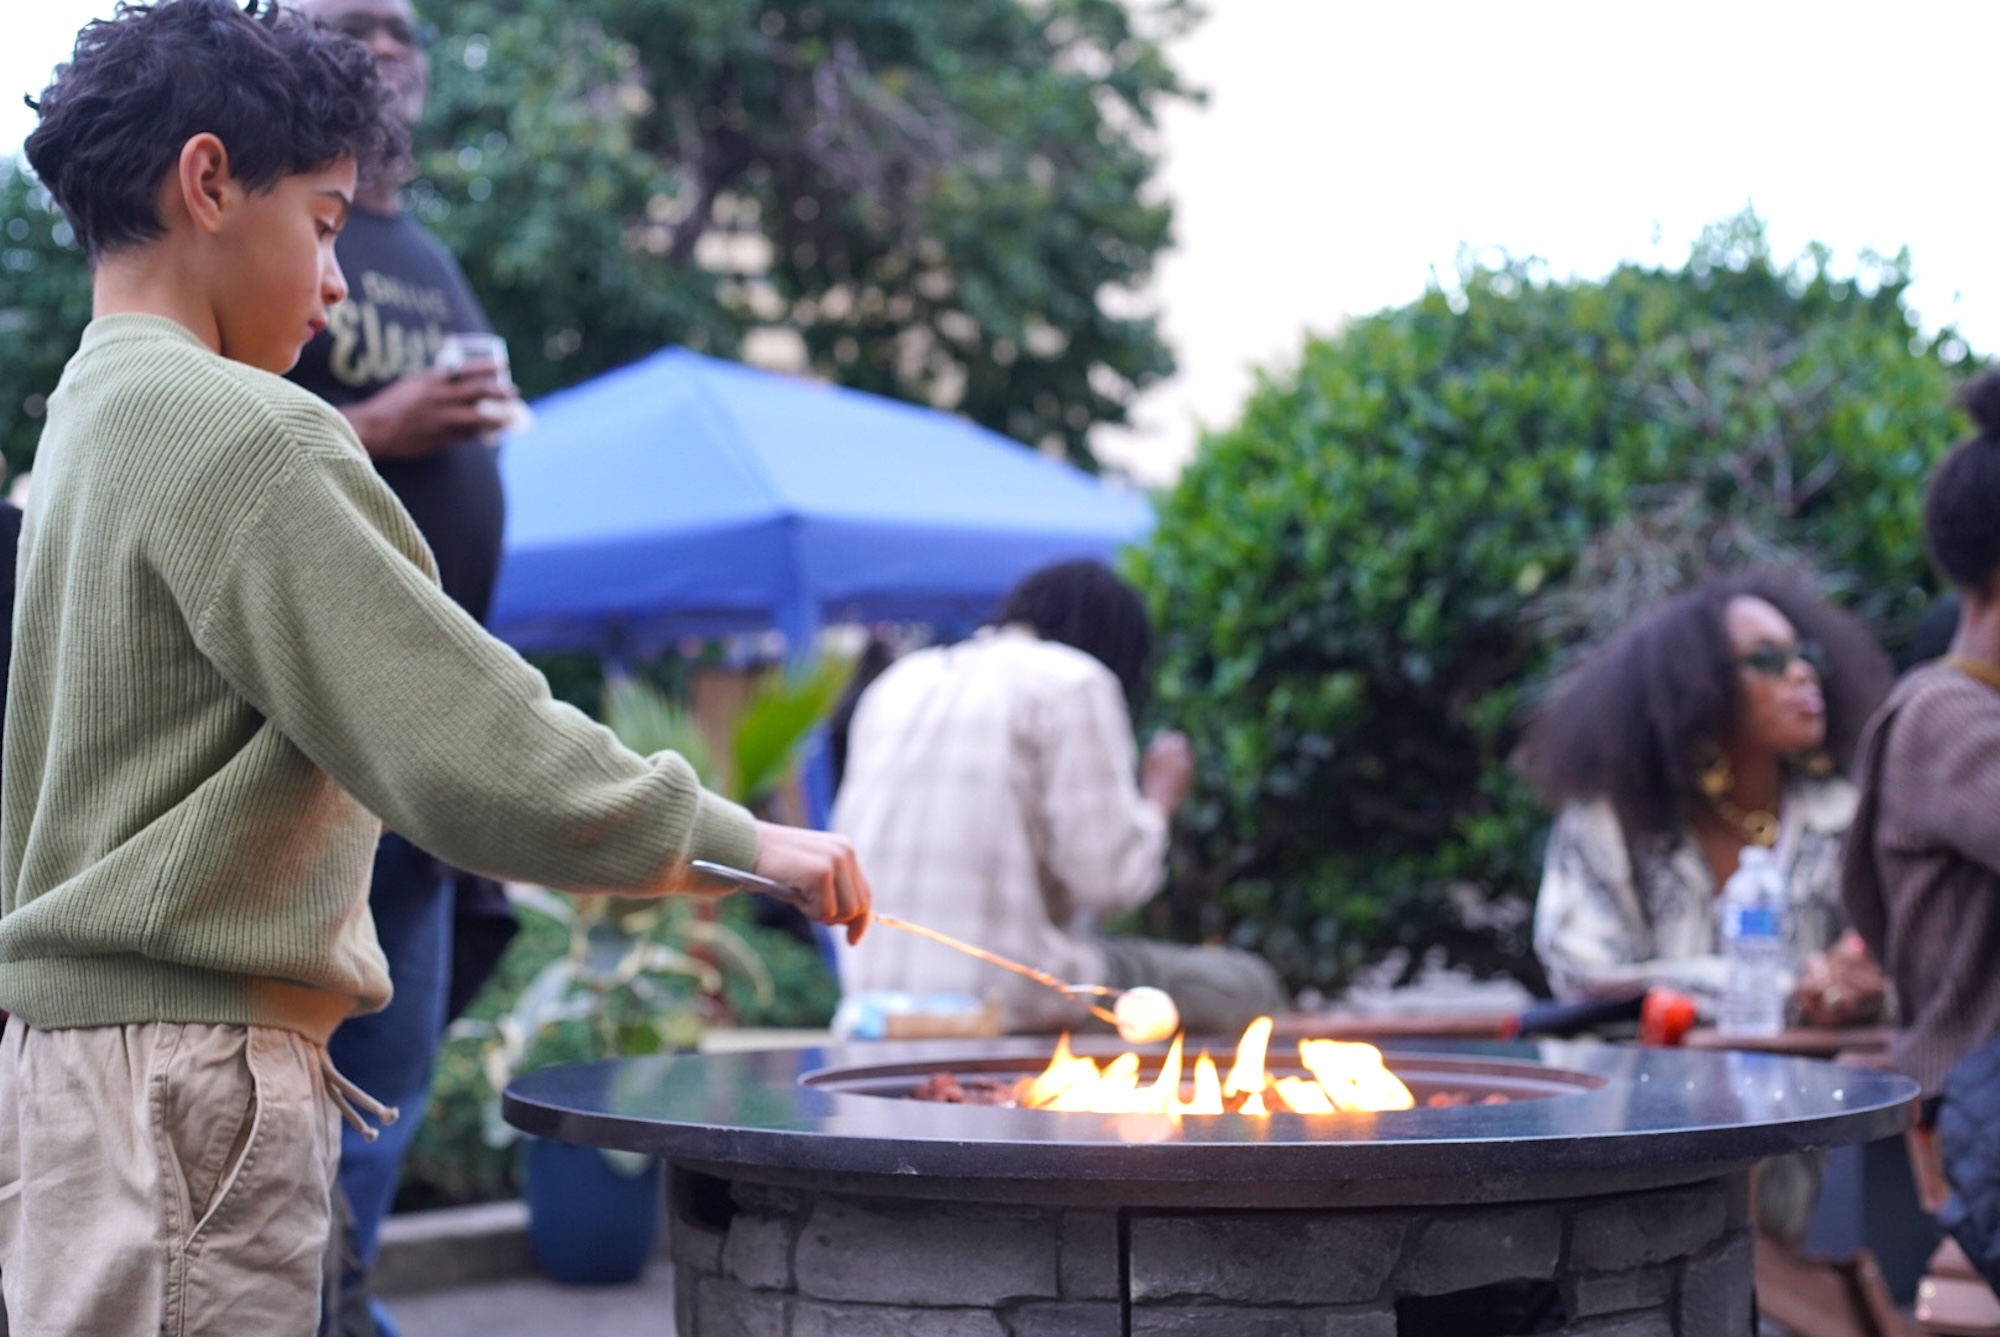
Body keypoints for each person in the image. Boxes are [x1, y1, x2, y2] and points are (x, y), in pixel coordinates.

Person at [0, 5, 870, 1334]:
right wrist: (746, 842)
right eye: (330, 221)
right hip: (185, 1081)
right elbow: (464, 740)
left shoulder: (85, 415)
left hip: (81, 1074)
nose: (338, 283)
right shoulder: (242, 430)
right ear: (209, 181)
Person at [279, 1, 516, 1327]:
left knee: (388, 1094)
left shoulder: (422, 250)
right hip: (320, 741)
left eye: (402, 25)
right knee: (309, 1101)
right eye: (352, 22)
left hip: (426, 775)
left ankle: (338, 1301)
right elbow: (229, 453)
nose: (389, 46)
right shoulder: (265, 226)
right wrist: (387, 421)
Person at [832, 560, 1284, 1036]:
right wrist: (1157, 800)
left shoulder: (898, 682)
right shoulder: (1074, 681)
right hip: (1007, 999)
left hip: (869, 1002)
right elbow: (1108, 881)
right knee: (1244, 985)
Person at [1518, 570, 1893, 1024]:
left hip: (1820, 1087)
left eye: (1806, 655)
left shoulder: (1844, 812)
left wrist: (1862, 985)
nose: (1802, 673)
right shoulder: (1611, 816)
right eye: (1769, 660)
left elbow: (1905, 976)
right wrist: (1790, 992)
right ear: (1697, 684)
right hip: (1645, 1089)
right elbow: (1587, 978)